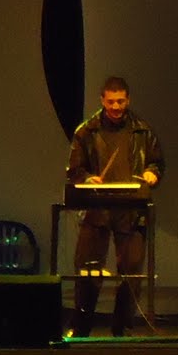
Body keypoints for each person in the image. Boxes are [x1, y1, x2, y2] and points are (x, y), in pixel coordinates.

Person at [65, 75, 164, 337]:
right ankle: (81, 326)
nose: (116, 107)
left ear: (128, 100)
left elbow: (156, 162)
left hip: (130, 210)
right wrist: (88, 179)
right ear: (102, 100)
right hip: (97, 208)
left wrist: (152, 173)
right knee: (88, 270)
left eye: (120, 101)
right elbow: (74, 170)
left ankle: (122, 327)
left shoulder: (142, 130)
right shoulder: (86, 131)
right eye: (111, 102)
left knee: (131, 271)